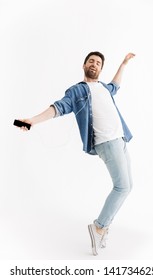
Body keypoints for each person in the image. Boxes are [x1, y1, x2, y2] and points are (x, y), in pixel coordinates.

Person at [18, 51, 135, 256]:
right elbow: (58, 107)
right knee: (122, 187)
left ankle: (103, 227)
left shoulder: (104, 88)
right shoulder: (76, 91)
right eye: (91, 61)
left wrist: (124, 64)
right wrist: (32, 120)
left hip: (121, 139)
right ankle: (99, 227)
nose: (95, 64)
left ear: (101, 68)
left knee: (128, 186)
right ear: (84, 65)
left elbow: (116, 85)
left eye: (98, 63)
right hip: (107, 142)